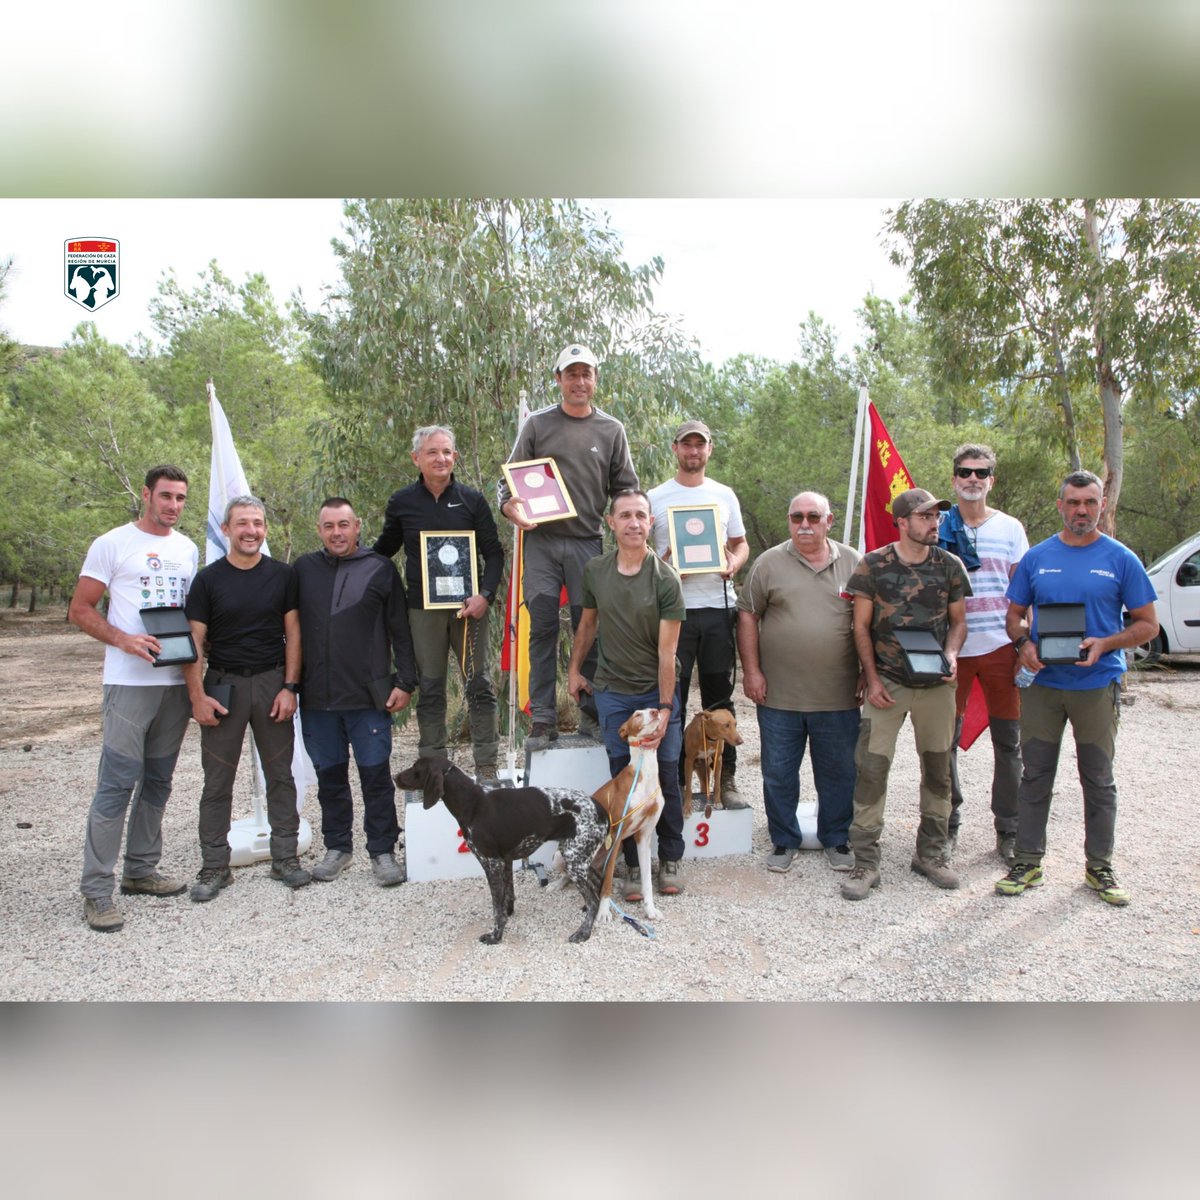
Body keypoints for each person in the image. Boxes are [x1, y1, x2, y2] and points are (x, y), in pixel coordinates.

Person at [996, 470, 1158, 907]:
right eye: (1073, 502)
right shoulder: (1038, 557)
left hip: (1096, 683)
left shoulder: (1121, 558)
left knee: (1099, 779)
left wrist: (1107, 643)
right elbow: (1013, 617)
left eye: (1090, 502)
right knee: (1035, 776)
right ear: (1060, 505)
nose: (1081, 510)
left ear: (1102, 504)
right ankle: (1027, 861)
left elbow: (1147, 625)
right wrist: (1023, 643)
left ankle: (1099, 866)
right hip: (1044, 686)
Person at [70, 465, 199, 932]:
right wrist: (124, 640)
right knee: (117, 783)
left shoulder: (186, 549)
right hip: (129, 683)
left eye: (181, 498)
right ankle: (96, 890)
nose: (173, 505)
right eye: (166, 496)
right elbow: (80, 609)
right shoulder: (112, 543)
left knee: (159, 781)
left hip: (173, 685)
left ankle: (140, 870)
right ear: (146, 494)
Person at [498, 342, 638, 748]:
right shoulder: (538, 425)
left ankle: (591, 715)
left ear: (595, 380)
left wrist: (626, 524)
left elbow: (626, 490)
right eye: (571, 374)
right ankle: (542, 718)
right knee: (541, 626)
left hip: (587, 543)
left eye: (586, 374)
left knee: (589, 627)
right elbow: (507, 482)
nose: (579, 381)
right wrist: (509, 506)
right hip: (540, 542)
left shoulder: (612, 430)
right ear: (558, 379)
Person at [841, 488, 972, 901]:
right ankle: (866, 862)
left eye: (937, 516)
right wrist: (873, 678)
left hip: (936, 686)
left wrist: (951, 654)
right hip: (889, 685)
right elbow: (860, 627)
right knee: (872, 770)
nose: (934, 522)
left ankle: (931, 855)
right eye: (925, 516)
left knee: (938, 771)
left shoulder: (949, 565)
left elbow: (958, 622)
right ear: (902, 522)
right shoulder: (874, 565)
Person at [183, 496, 309, 901]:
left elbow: (294, 635)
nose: (250, 530)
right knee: (217, 780)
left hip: (272, 683)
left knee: (281, 777)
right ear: (226, 530)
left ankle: (285, 858)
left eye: (257, 523)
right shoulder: (208, 580)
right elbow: (194, 643)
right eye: (242, 524)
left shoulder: (283, 575)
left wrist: (290, 688)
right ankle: (215, 866)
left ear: (265, 530)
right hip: (223, 686)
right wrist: (197, 695)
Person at [567, 489, 688, 898]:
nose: (634, 522)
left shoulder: (666, 579)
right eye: (625, 515)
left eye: (641, 515)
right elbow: (587, 626)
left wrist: (667, 707)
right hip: (613, 692)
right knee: (623, 778)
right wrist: (574, 669)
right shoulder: (596, 571)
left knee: (665, 777)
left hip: (656, 691)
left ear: (650, 522)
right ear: (611, 522)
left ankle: (670, 857)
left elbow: (667, 651)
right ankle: (635, 866)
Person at [737, 491, 863, 875]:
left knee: (840, 772)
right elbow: (747, 614)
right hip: (779, 696)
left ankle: (836, 839)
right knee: (778, 772)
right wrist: (752, 671)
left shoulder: (854, 562)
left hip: (838, 695)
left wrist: (866, 671)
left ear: (829, 520)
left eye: (813, 516)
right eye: (796, 517)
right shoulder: (769, 563)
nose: (804, 525)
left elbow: (868, 620)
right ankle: (784, 840)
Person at [295, 498, 418, 886]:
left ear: (358, 526)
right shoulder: (302, 570)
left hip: (369, 697)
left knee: (375, 777)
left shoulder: (379, 568)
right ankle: (338, 848)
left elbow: (401, 628)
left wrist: (405, 681)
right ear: (319, 530)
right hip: (317, 698)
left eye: (343, 524)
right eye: (329, 526)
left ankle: (382, 852)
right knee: (330, 777)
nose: (336, 533)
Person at [372, 426, 504, 781]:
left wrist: (485, 596)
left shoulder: (472, 500)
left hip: (469, 609)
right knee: (430, 687)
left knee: (480, 685)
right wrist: (349, 559)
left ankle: (487, 766)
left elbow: (493, 554)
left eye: (447, 451)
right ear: (416, 458)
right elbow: (385, 549)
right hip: (423, 609)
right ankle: (432, 768)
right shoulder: (402, 502)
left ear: (455, 457)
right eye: (432, 452)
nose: (440, 458)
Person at [649, 419, 750, 808]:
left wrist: (734, 564)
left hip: (717, 609)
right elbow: (644, 557)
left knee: (720, 700)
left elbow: (740, 544)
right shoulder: (656, 497)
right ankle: (674, 785)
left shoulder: (724, 494)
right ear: (674, 449)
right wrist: (667, 567)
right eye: (686, 444)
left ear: (709, 450)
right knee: (670, 701)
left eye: (700, 445)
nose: (693, 451)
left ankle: (725, 782)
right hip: (675, 614)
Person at [939, 443, 1029, 863]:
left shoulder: (1010, 528)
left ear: (992, 479)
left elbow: (1024, 591)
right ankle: (947, 822)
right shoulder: (937, 525)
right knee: (944, 743)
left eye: (981, 472)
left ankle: (1008, 830)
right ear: (954, 478)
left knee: (1009, 744)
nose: (972, 479)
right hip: (950, 650)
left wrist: (1027, 640)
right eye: (965, 471)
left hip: (999, 647)